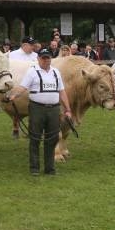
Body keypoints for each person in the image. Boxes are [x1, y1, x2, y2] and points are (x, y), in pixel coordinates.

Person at [5, 48, 73, 176]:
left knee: (52, 139)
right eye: (43, 58)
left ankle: (49, 168)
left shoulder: (55, 72)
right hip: (37, 109)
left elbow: (62, 92)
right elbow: (22, 87)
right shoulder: (32, 72)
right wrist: (13, 96)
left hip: (54, 109)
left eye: (48, 58)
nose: (46, 60)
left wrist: (68, 109)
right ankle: (34, 168)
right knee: (35, 138)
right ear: (38, 59)